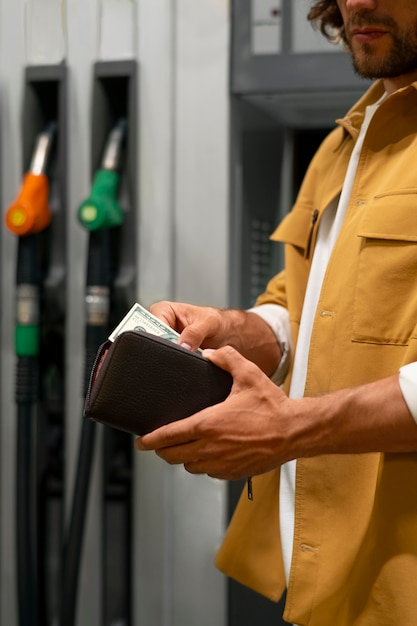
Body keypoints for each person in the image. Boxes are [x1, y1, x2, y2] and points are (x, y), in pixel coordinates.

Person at [135, 1, 417, 624]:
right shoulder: (343, 148)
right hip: (320, 570)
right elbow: (300, 308)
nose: (359, 2)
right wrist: (230, 328)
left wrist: (290, 428)